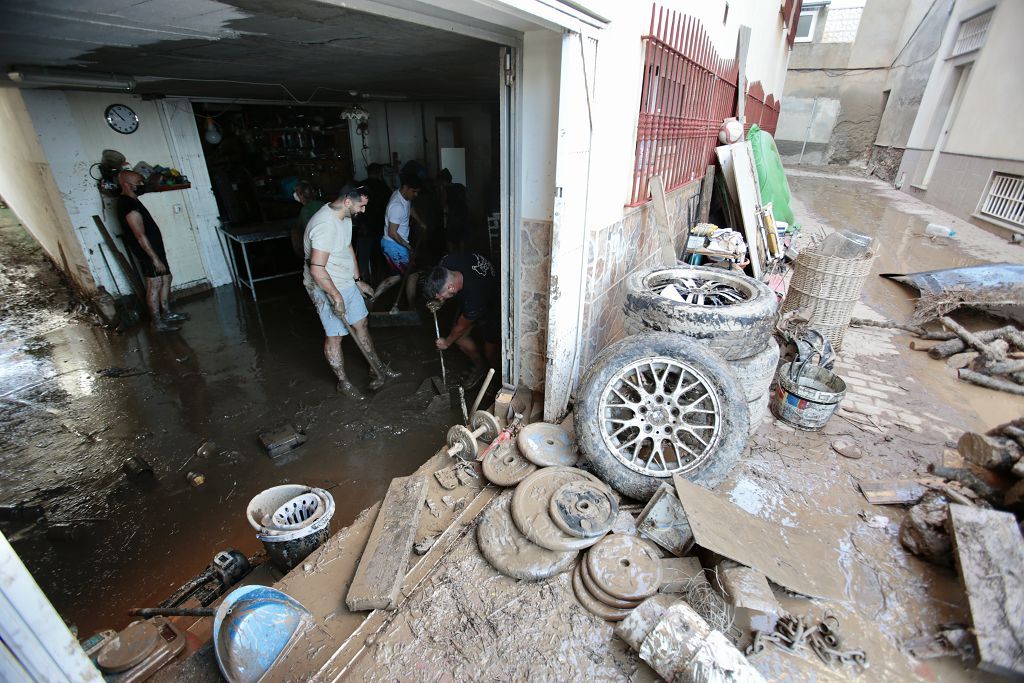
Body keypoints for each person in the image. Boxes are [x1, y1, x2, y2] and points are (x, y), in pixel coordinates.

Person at [304, 185, 401, 399]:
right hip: (325, 285)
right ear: (347, 201)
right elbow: (317, 269)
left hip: (345, 280)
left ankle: (377, 367)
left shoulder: (345, 218)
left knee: (361, 324)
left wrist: (357, 280)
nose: (363, 210)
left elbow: (347, 247)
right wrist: (336, 296)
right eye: (361, 206)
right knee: (336, 336)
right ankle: (343, 382)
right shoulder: (324, 226)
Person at [115, 171, 188, 332]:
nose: (141, 185)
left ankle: (167, 313)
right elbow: (140, 236)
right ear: (127, 185)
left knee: (166, 278)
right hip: (148, 252)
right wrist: (154, 259)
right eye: (138, 183)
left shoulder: (133, 200)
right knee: (154, 283)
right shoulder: (128, 205)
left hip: (155, 249)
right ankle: (156, 322)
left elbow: (150, 186)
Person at [421, 253, 499, 386]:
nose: (440, 300)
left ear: (451, 287)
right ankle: (480, 367)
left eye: (440, 297)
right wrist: (440, 301)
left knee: (490, 349)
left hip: (493, 301)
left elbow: (461, 327)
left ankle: (496, 379)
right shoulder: (446, 262)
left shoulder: (475, 295)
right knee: (461, 339)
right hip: (472, 296)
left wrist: (446, 342)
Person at [373, 174, 426, 308]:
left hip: (394, 243)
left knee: (397, 276)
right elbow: (392, 232)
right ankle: (412, 307)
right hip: (393, 244)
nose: (416, 194)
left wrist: (419, 221)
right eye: (414, 191)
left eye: (417, 192)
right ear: (406, 187)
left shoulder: (403, 196)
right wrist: (407, 246)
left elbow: (409, 207)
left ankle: (372, 297)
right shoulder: (396, 206)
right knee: (412, 274)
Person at [354, 163, 391, 285]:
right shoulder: (384, 187)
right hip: (381, 228)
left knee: (363, 259)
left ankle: (363, 284)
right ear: (379, 173)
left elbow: (355, 207)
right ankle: (381, 285)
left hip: (364, 227)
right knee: (380, 259)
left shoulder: (360, 186)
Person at [438, 168, 469, 254]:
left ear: (443, 180)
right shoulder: (461, 186)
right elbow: (467, 199)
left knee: (450, 238)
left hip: (453, 217)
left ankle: (452, 257)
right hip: (463, 215)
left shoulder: (445, 190)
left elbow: (442, 205)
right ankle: (462, 256)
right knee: (461, 238)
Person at [291, 180, 324, 258]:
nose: (295, 195)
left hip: (316, 247)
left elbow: (303, 227)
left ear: (301, 195)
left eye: (297, 193)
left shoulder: (305, 210)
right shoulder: (321, 204)